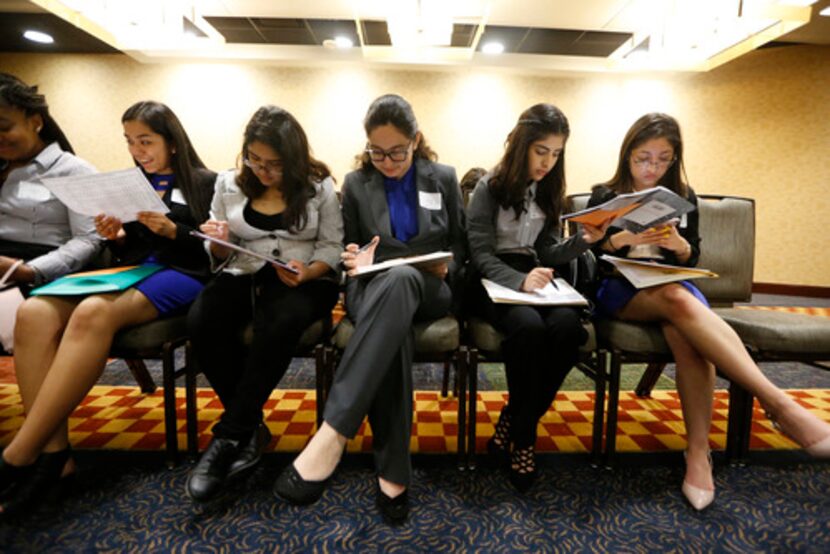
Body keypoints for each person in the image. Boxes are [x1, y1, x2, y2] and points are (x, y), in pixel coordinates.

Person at [588, 112, 830, 510]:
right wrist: (624, 239)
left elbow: (693, 252)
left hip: (671, 283)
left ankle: (697, 453)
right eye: (643, 158)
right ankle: (778, 404)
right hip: (620, 289)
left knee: (685, 331)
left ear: (674, 158)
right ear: (627, 154)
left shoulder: (681, 196)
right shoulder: (605, 194)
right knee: (680, 301)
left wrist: (680, 246)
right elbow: (587, 254)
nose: (652, 167)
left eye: (663, 159)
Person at [0, 100, 216, 517]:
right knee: (35, 312)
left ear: (172, 141)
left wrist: (176, 230)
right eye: (131, 142)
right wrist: (115, 236)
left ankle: (22, 451)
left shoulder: (205, 182)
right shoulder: (130, 182)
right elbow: (128, 252)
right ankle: (55, 454)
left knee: (92, 313)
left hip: (182, 273)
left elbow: (213, 252)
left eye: (146, 141)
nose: (138, 150)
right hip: (130, 272)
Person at [274, 93, 466, 524]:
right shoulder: (357, 183)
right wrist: (356, 259)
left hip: (429, 286)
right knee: (391, 303)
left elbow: (460, 243)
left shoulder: (444, 177)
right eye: (377, 153)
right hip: (371, 285)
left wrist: (445, 264)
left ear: (415, 140)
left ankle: (334, 431)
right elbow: (350, 244)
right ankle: (394, 471)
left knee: (401, 280)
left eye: (397, 151)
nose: (388, 162)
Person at [185, 106, 343, 503]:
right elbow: (218, 248)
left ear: (294, 158)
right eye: (255, 160)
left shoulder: (319, 185)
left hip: (304, 276)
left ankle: (230, 435)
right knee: (203, 319)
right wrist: (217, 241)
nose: (263, 171)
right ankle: (250, 425)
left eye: (274, 164)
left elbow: (332, 246)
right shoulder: (228, 184)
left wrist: (308, 271)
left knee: (280, 321)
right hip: (244, 269)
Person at [466, 104, 606, 492]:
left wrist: (581, 242)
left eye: (556, 153)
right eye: (541, 151)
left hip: (533, 273)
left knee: (566, 328)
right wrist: (518, 280)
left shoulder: (548, 190)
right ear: (522, 145)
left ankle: (514, 420)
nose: (548, 162)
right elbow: (479, 254)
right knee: (527, 328)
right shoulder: (489, 187)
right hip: (491, 278)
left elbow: (546, 250)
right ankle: (524, 442)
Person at [0, 72, 100, 289]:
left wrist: (29, 271)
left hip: (36, 265)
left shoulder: (74, 171)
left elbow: (88, 240)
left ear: (35, 123)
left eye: (4, 128)